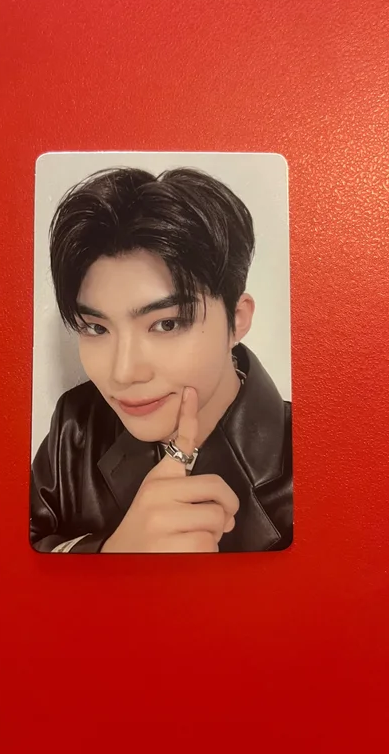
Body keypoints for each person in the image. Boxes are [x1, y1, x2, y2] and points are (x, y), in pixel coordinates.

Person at [30, 166, 293, 553]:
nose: (123, 373)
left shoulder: (315, 459)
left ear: (237, 320)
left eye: (166, 324)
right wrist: (109, 554)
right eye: (96, 328)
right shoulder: (78, 426)